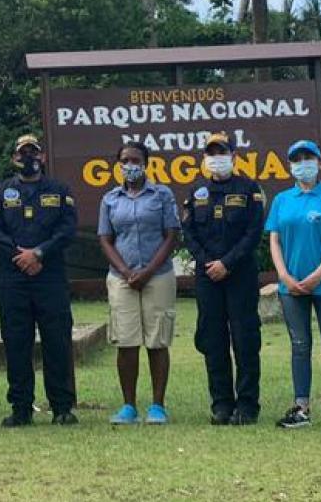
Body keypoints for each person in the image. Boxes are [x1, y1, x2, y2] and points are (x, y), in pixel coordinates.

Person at [0, 135, 79, 427]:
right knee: (16, 343)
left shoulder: (60, 191)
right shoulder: (0, 193)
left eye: (33, 153)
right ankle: (21, 407)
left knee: (57, 342)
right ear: (15, 158)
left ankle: (62, 407)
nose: (29, 158)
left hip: (49, 277)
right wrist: (21, 256)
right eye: (23, 153)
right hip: (14, 278)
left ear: (43, 157)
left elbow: (67, 230)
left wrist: (38, 253)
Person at [266, 140, 321, 430]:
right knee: (299, 345)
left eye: (308, 158)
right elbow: (274, 239)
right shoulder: (282, 200)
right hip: (291, 286)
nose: (302, 163)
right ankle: (301, 407)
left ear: (319, 163)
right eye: (296, 159)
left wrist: (318, 275)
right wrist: (284, 275)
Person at [181, 133, 265, 426]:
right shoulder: (196, 192)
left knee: (245, 340)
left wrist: (227, 263)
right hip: (207, 277)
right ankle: (221, 404)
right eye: (211, 153)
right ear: (204, 158)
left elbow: (253, 233)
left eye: (222, 152)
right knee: (213, 340)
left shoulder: (249, 189)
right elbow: (189, 233)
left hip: (240, 274)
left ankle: (247, 405)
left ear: (233, 156)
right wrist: (208, 263)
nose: (216, 158)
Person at [97, 142, 180, 426]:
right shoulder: (110, 199)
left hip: (158, 276)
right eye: (125, 160)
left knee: (157, 340)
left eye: (135, 160)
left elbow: (171, 235)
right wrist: (125, 270)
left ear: (146, 163)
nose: (130, 165)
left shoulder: (162, 194)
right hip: (121, 278)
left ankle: (158, 405)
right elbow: (105, 238)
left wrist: (147, 271)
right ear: (117, 164)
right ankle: (129, 406)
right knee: (127, 341)